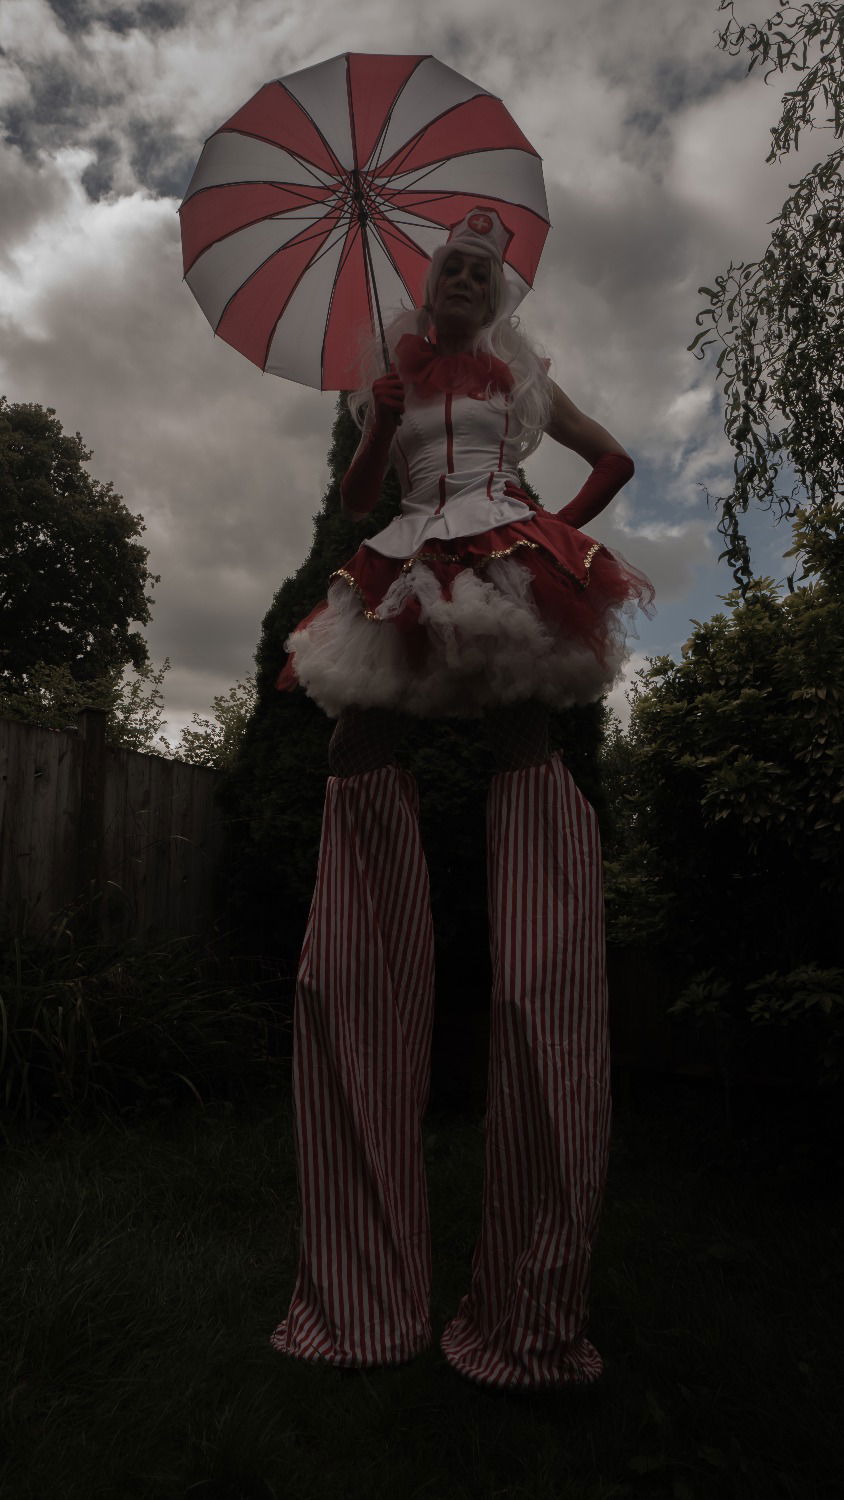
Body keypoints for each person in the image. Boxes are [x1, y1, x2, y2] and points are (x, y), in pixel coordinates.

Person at [270, 208, 655, 1392]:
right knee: (356, 751)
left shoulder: (519, 378)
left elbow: (614, 461)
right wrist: (381, 417)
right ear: (426, 282)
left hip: (500, 556)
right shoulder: (388, 379)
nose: (466, 277)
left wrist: (552, 537)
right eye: (452, 263)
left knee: (524, 747)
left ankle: (527, 1302)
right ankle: (364, 1287)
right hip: (401, 564)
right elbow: (356, 501)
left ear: (497, 296)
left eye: (483, 269)